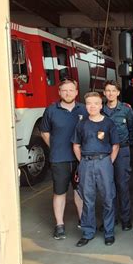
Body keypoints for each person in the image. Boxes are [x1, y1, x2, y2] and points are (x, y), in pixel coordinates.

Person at [40, 79, 87, 240]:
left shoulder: (84, 109)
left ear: (76, 92)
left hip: (80, 158)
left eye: (71, 90)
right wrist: (55, 147)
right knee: (59, 192)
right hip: (59, 159)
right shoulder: (51, 110)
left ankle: (83, 220)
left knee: (79, 191)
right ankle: (59, 225)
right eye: (64, 90)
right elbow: (45, 132)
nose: (68, 93)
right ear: (59, 92)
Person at [72, 92, 120, 247]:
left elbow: (115, 145)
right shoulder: (82, 124)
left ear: (101, 105)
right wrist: (83, 162)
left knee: (108, 198)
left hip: (104, 162)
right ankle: (87, 232)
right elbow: (76, 145)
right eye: (89, 103)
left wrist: (108, 162)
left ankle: (109, 232)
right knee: (88, 199)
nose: (92, 106)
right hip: (86, 163)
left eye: (95, 103)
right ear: (86, 106)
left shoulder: (109, 123)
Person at [102, 80, 133, 231]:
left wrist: (132, 151)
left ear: (118, 93)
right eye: (107, 90)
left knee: (122, 185)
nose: (110, 93)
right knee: (107, 187)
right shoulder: (100, 110)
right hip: (104, 152)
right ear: (104, 93)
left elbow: (132, 130)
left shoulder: (126, 110)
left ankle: (126, 219)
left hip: (122, 151)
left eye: (113, 90)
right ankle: (111, 218)